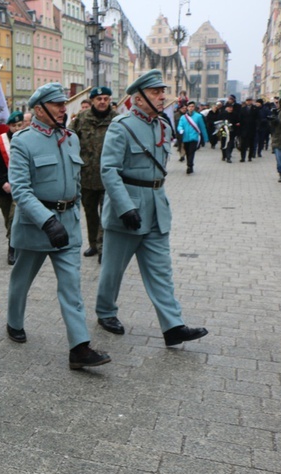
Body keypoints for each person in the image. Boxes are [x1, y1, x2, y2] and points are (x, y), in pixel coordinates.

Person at [96, 69, 208, 348]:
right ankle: (106, 312)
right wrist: (124, 207)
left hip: (157, 206)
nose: (162, 97)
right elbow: (108, 170)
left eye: (162, 91)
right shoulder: (121, 126)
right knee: (113, 269)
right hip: (128, 208)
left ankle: (173, 326)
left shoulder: (163, 126)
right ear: (139, 98)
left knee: (161, 271)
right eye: (156, 92)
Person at [6, 82, 111, 369]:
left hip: (67, 225)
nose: (64, 109)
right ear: (39, 109)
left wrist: (71, 212)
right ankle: (14, 321)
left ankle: (79, 348)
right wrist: (47, 220)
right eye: (57, 105)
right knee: (21, 280)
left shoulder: (71, 138)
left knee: (71, 288)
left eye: (64, 104)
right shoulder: (23, 141)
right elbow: (21, 191)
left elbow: (75, 181)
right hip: (35, 226)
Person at [70, 85, 118, 262]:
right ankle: (93, 244)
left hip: (109, 177)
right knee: (90, 213)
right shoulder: (81, 119)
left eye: (106, 98)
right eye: (99, 99)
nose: (102, 101)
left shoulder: (117, 120)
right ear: (92, 101)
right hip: (86, 176)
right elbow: (69, 142)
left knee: (106, 213)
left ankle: (103, 246)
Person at [0, 110, 24, 265]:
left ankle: (12, 249)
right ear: (9, 126)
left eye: (20, 125)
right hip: (4, 189)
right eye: (14, 125)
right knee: (9, 219)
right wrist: (2, 182)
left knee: (15, 219)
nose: (17, 128)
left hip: (22, 188)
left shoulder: (27, 139)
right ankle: (13, 241)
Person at [177, 101, 209, 175]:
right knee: (187, 152)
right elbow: (180, 125)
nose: (191, 108)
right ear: (187, 108)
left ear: (194, 108)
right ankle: (189, 165)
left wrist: (205, 138)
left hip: (194, 138)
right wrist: (180, 129)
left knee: (191, 152)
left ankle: (189, 166)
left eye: (192, 106)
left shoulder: (198, 116)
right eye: (189, 106)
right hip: (185, 138)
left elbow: (202, 127)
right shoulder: (183, 117)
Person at [238, 97, 258, 162]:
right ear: (246, 102)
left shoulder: (255, 109)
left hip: (252, 129)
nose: (249, 102)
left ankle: (250, 157)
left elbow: (258, 118)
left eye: (250, 101)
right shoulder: (242, 109)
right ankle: (243, 157)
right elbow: (240, 119)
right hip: (244, 129)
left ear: (252, 101)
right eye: (247, 101)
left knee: (251, 144)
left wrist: (257, 127)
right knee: (243, 144)